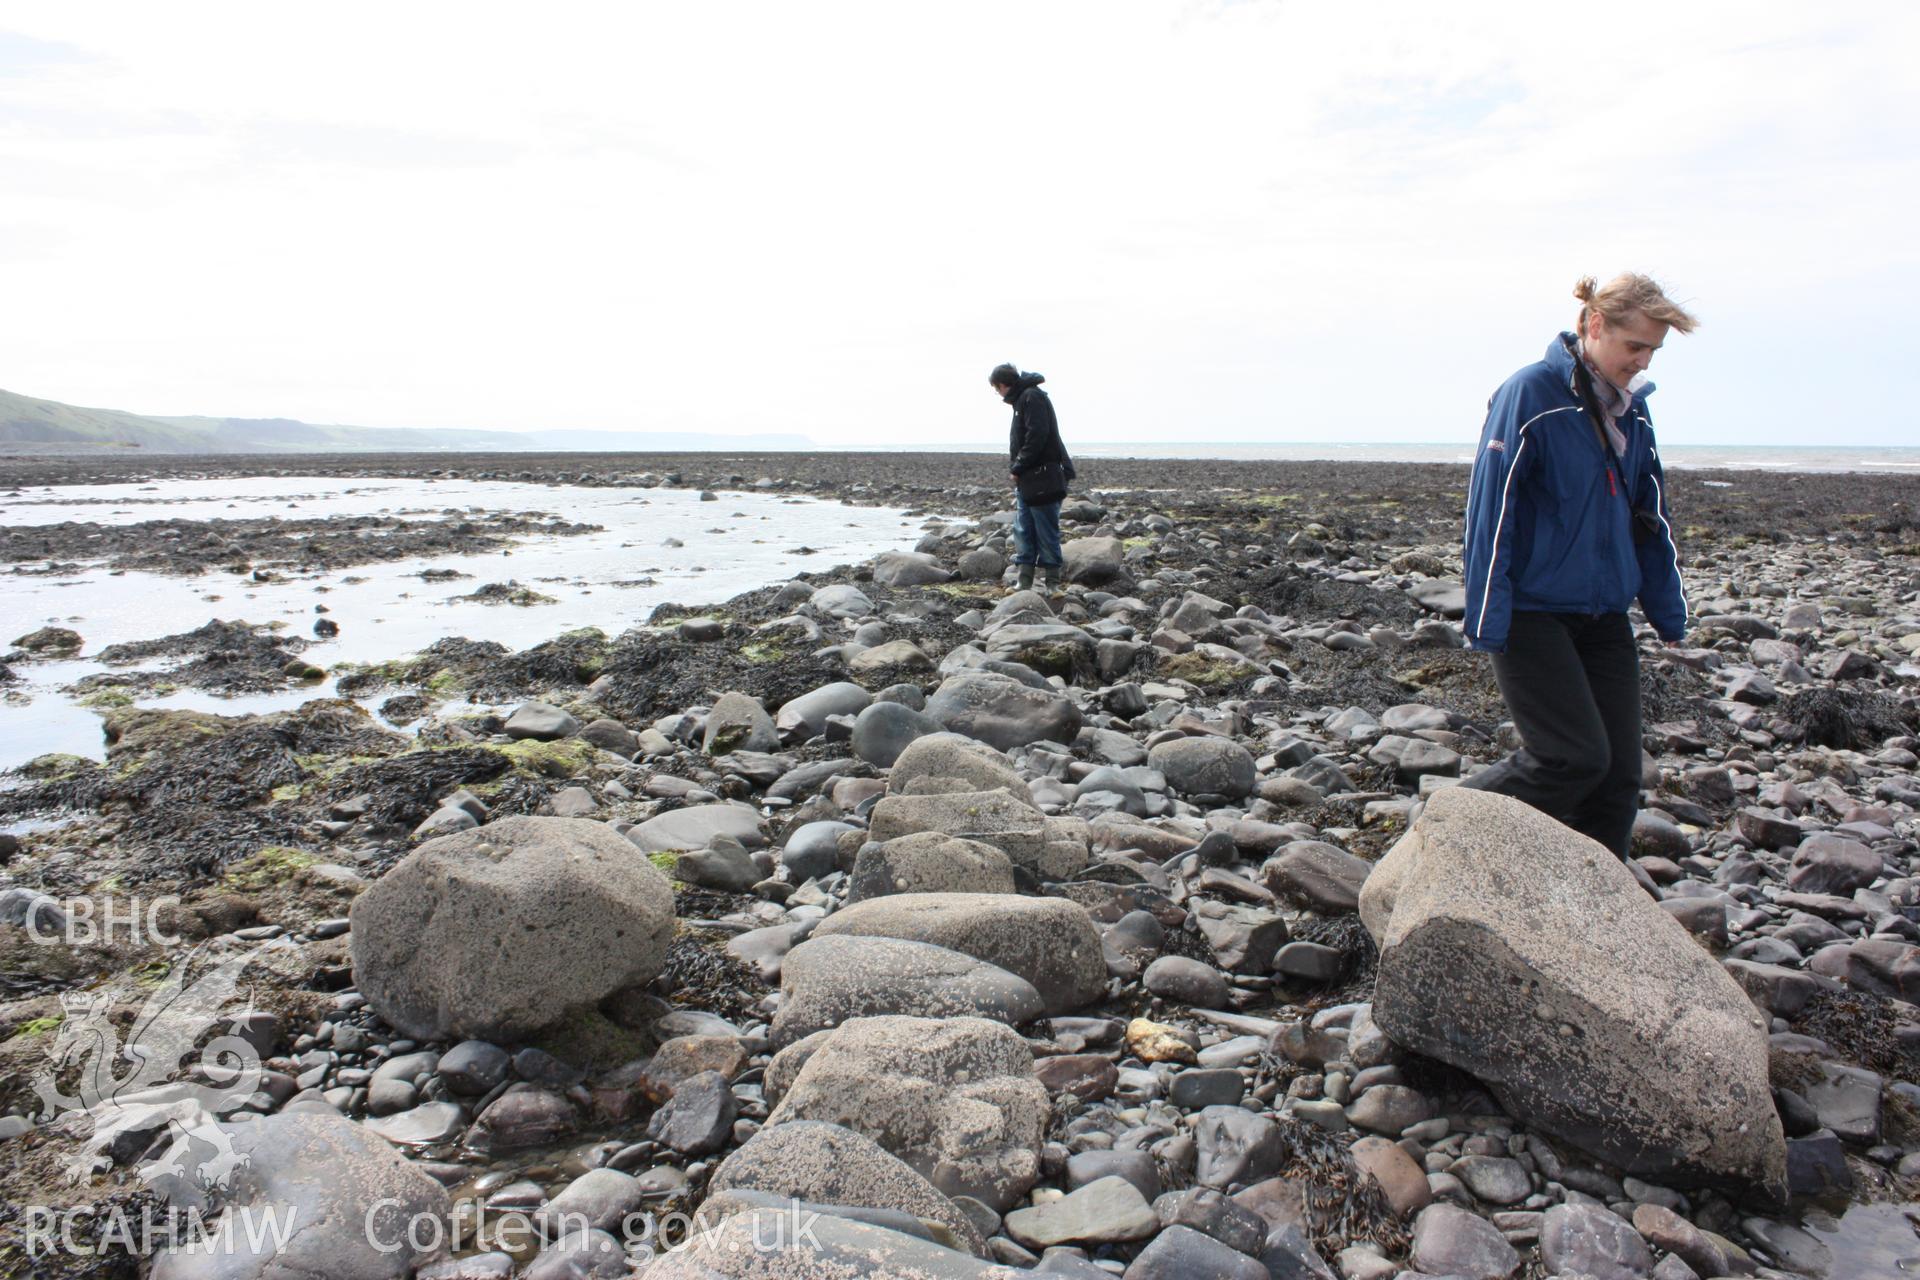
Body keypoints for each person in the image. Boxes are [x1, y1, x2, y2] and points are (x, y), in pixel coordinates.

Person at [1458, 274, 1696, 859]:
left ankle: (1595, 913)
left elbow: (1650, 515)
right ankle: (1446, 830)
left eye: (1652, 352)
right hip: (1532, 613)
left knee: (1618, 778)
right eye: (1633, 347)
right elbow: (1492, 507)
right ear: (1594, 327)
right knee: (1570, 757)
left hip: (1604, 615)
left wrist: (1667, 612)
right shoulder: (1531, 394)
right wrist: (1487, 616)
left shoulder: (1631, 412)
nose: (1640, 362)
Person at [990, 362, 1073, 593]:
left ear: (1003, 385)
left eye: (997, 389)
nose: (998, 395)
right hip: (1028, 478)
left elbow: (1037, 436)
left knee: (1046, 529)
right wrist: (1019, 468)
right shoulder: (1022, 400)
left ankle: (1053, 584)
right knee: (1023, 528)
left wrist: (1018, 466)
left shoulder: (1031, 397)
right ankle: (1024, 581)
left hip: (1041, 477)